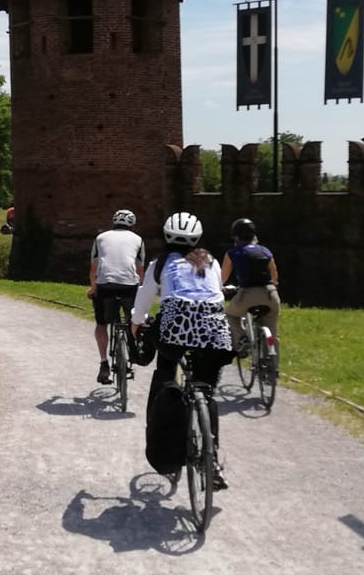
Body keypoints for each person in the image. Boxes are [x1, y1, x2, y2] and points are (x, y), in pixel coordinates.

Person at [132, 211, 232, 488]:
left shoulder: (160, 262)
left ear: (165, 237)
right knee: (206, 390)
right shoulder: (210, 261)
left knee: (166, 371)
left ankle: (167, 424)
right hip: (214, 329)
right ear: (198, 238)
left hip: (175, 327)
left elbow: (144, 297)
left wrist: (137, 323)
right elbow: (218, 293)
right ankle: (211, 460)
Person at [86, 209, 145, 385]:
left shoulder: (100, 238)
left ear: (114, 223)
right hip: (129, 286)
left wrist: (93, 288)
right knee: (132, 320)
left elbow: (93, 269)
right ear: (132, 226)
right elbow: (140, 269)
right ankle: (132, 351)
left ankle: (104, 363)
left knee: (101, 323)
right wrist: (139, 289)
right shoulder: (138, 240)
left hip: (105, 286)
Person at [219, 217, 280, 355]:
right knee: (272, 333)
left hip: (247, 295)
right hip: (270, 294)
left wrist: (220, 287)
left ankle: (242, 338)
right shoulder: (265, 251)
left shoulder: (233, 252)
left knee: (230, 315)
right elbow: (274, 275)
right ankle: (273, 369)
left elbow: (223, 277)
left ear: (235, 236)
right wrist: (274, 284)